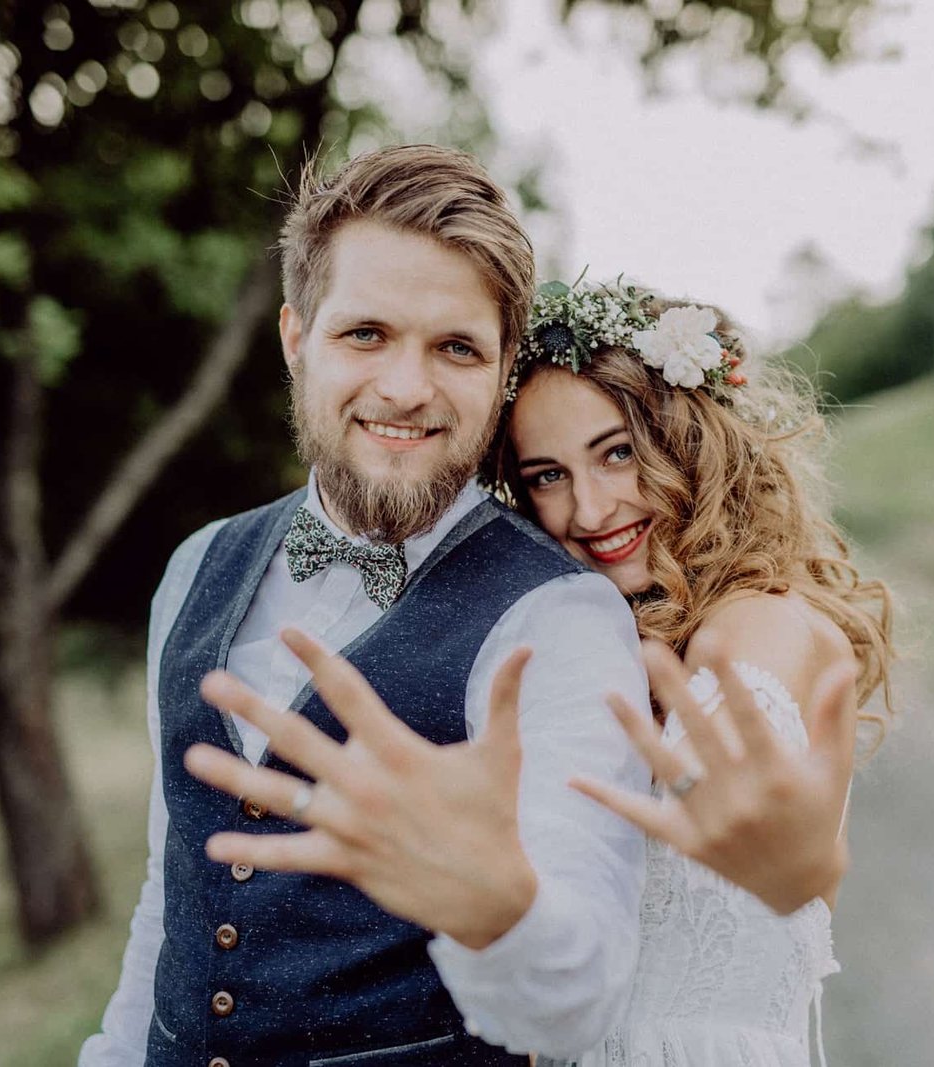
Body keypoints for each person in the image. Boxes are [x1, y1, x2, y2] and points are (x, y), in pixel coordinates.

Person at [77, 145, 659, 1066]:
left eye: (456, 347)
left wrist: (502, 912)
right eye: (366, 335)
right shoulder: (194, 567)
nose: (405, 387)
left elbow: (578, 997)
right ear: (295, 338)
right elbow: (169, 889)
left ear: (504, 370)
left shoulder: (562, 617)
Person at [485, 279, 896, 1066]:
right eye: (548, 475)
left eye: (617, 453)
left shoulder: (757, 622)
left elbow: (765, 806)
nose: (591, 508)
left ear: (688, 439)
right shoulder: (622, 646)